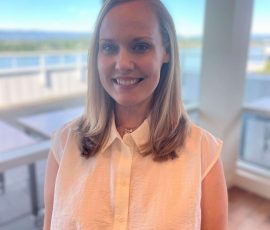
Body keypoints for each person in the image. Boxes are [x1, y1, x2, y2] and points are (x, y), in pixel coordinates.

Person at [43, 0, 228, 229]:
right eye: (109, 47)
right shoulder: (64, 144)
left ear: (166, 52)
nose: (122, 64)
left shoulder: (203, 152)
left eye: (140, 46)